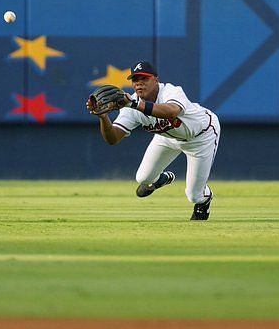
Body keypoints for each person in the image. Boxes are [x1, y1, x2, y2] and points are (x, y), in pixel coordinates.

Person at [86, 61, 220, 220]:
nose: (139, 83)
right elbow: (113, 138)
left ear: (156, 80)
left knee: (194, 195)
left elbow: (171, 111)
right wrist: (103, 118)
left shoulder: (171, 91)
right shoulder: (131, 106)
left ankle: (204, 200)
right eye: (135, 79)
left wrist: (134, 104)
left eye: (144, 78)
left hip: (201, 136)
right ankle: (162, 179)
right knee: (142, 178)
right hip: (167, 138)